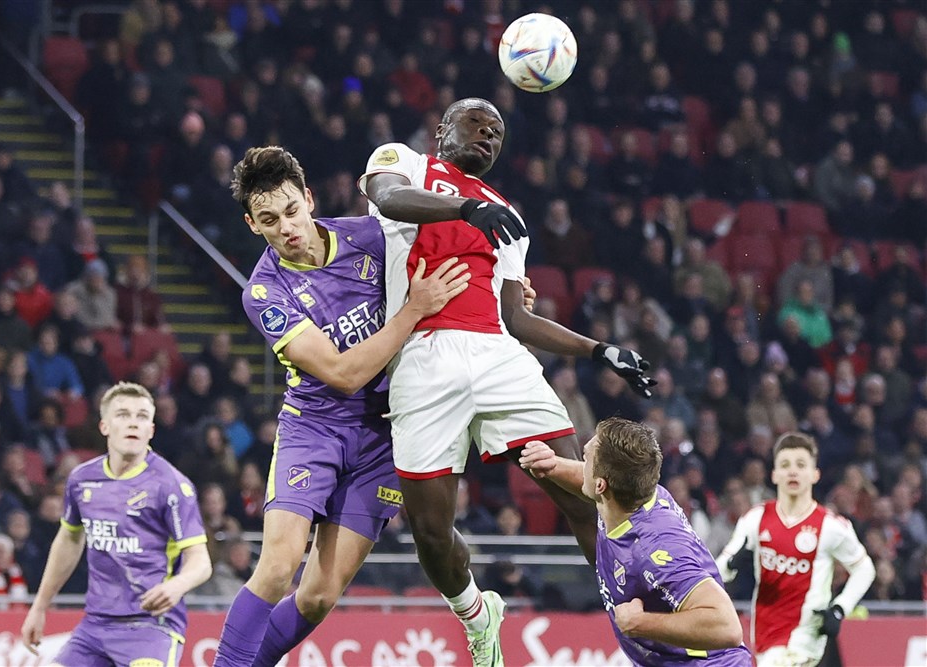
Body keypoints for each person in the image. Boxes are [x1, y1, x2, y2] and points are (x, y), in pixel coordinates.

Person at [359, 97, 656, 666]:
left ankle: (637, 624)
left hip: (499, 355)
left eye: (497, 134)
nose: (488, 138)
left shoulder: (506, 215)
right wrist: (464, 210)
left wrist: (601, 349)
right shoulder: (404, 162)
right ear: (443, 127)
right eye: (477, 125)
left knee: (586, 492)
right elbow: (387, 197)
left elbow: (517, 317)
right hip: (422, 356)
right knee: (429, 529)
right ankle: (476, 612)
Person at [211, 146, 472, 667]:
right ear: (251, 224)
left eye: (290, 211)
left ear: (308, 199)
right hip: (315, 429)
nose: (285, 227)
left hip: (385, 435)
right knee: (279, 566)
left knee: (317, 596)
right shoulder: (265, 291)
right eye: (268, 220)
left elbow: (452, 261)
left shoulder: (371, 236)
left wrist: (510, 295)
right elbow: (343, 373)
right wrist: (413, 310)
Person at [519, 418, 751, 665]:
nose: (580, 464)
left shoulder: (657, 549)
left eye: (586, 459)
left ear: (600, 485)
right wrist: (553, 466)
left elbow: (727, 628)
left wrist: (640, 623)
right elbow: (591, 482)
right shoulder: (631, 494)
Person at [20, 382, 212, 666]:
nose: (133, 423)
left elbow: (201, 561)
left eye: (142, 416)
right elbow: (69, 540)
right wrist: (39, 606)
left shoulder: (171, 485)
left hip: (152, 626)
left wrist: (177, 585)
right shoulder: (82, 480)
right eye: (123, 415)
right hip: (95, 626)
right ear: (105, 426)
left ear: (151, 430)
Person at [715, 432, 875, 667]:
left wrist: (840, 608)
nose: (793, 471)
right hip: (763, 636)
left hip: (805, 639)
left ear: (815, 474)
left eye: (801, 465)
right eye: (785, 465)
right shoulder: (755, 519)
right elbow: (717, 571)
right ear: (774, 474)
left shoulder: (831, 526)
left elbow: (865, 569)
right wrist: (731, 565)